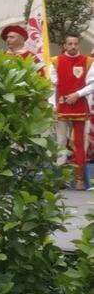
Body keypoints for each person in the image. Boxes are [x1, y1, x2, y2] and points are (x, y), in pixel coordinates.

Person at [52, 34, 94, 190]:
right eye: (69, 43)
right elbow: (52, 85)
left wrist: (77, 94)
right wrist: (52, 105)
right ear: (64, 45)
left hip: (80, 107)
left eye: (75, 43)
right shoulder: (55, 62)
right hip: (61, 107)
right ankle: (60, 178)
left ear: (79, 44)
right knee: (60, 142)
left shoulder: (89, 62)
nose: (73, 46)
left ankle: (79, 179)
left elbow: (92, 84)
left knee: (79, 143)